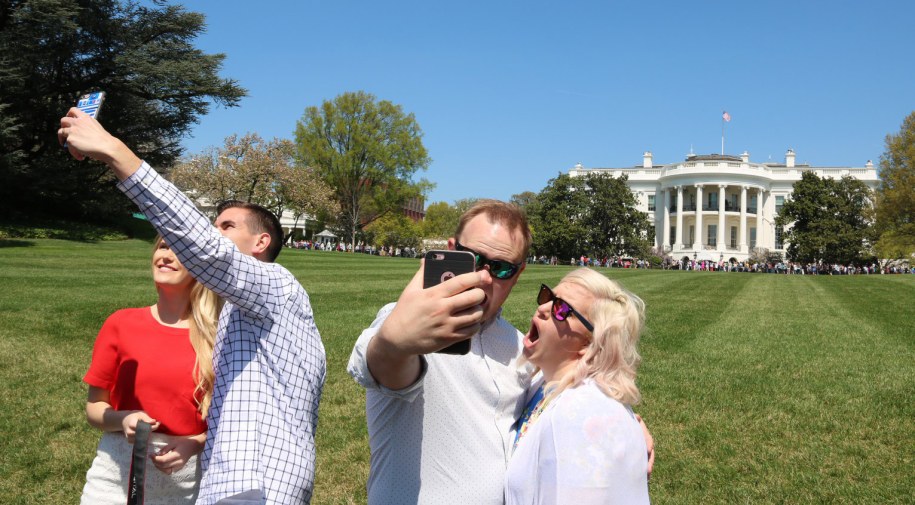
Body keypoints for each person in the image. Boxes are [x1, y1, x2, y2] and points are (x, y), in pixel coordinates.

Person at [60, 108, 326, 505]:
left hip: (259, 486)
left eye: (226, 226)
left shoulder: (277, 286)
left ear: (261, 243)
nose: (213, 234)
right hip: (231, 483)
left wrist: (115, 152)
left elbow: (209, 254)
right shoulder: (236, 313)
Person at [348, 200, 653, 504]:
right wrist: (393, 342)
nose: (483, 276)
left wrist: (624, 429)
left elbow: (563, 398)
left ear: (518, 274)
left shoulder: (520, 349)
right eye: (473, 258)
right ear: (452, 249)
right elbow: (384, 366)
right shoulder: (404, 324)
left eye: (501, 268)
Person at [82, 237, 220, 504]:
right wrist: (122, 419)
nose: (166, 255)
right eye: (162, 247)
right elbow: (94, 409)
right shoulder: (121, 323)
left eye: (179, 250)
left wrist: (196, 444)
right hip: (115, 473)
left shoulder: (218, 337)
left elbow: (230, 422)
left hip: (187, 481)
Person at [505, 269, 649, 504]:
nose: (543, 308)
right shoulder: (545, 384)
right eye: (548, 297)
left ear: (589, 343)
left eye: (561, 309)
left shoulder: (579, 415)